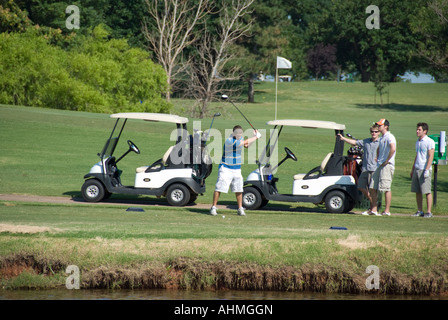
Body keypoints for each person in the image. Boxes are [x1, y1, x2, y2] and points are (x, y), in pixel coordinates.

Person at [210, 126, 261, 216]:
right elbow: (242, 143)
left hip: (236, 168)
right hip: (226, 168)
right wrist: (256, 137)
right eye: (237, 133)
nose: (239, 134)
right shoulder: (229, 141)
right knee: (219, 188)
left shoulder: (240, 139)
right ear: (233, 133)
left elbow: (247, 145)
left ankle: (240, 208)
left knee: (239, 188)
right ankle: (213, 207)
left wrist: (254, 137)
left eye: (240, 133)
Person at [338, 124, 380, 215]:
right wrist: (343, 138)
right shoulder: (366, 141)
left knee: (373, 189)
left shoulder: (381, 142)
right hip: (365, 168)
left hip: (374, 169)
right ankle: (373, 204)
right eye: (372, 132)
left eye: (376, 132)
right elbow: (354, 142)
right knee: (361, 187)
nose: (374, 133)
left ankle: (373, 209)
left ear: (379, 133)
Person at [369, 119, 397, 216]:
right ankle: (374, 209)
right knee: (373, 186)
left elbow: (393, 148)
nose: (378, 127)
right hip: (379, 165)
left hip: (387, 165)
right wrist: (378, 157)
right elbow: (378, 148)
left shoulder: (390, 136)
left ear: (386, 126)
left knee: (386, 188)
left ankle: (387, 210)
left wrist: (387, 160)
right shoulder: (381, 138)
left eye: (380, 125)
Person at [410, 122, 435, 218]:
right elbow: (417, 156)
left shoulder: (429, 141)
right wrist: (413, 169)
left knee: (427, 191)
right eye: (417, 129)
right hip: (417, 168)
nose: (417, 131)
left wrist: (427, 169)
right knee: (417, 191)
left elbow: (431, 156)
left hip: (425, 169)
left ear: (425, 131)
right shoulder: (418, 141)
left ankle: (428, 212)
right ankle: (419, 210)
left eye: (419, 130)